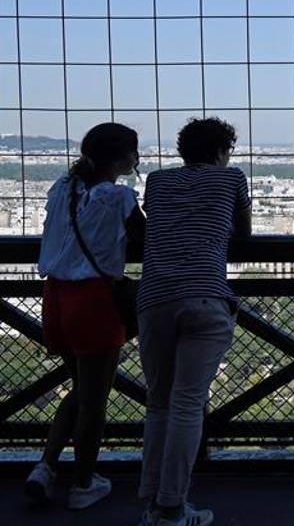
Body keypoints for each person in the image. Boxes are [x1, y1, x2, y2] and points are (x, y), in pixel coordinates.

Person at [136, 117, 252, 526]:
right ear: (223, 152)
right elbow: (244, 235)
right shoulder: (232, 178)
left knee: (158, 402)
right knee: (188, 404)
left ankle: (152, 504)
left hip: (153, 297)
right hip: (205, 295)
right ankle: (171, 507)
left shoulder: (156, 182)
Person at [26, 122, 144, 509]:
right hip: (94, 301)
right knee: (95, 402)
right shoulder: (117, 198)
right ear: (122, 157)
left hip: (56, 298)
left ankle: (45, 468)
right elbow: (145, 238)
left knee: (81, 390)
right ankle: (81, 484)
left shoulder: (62, 189)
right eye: (133, 151)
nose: (136, 158)